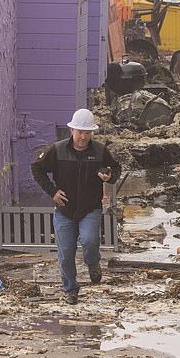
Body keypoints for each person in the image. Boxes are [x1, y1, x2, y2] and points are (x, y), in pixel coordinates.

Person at [31, 108, 121, 305]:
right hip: (64, 209)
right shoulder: (57, 149)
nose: (83, 137)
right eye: (80, 132)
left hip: (90, 208)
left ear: (92, 133)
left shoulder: (99, 150)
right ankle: (70, 289)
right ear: (71, 130)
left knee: (89, 240)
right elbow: (36, 168)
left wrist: (109, 176)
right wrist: (52, 191)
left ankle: (92, 262)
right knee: (65, 254)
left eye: (87, 133)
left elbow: (115, 168)